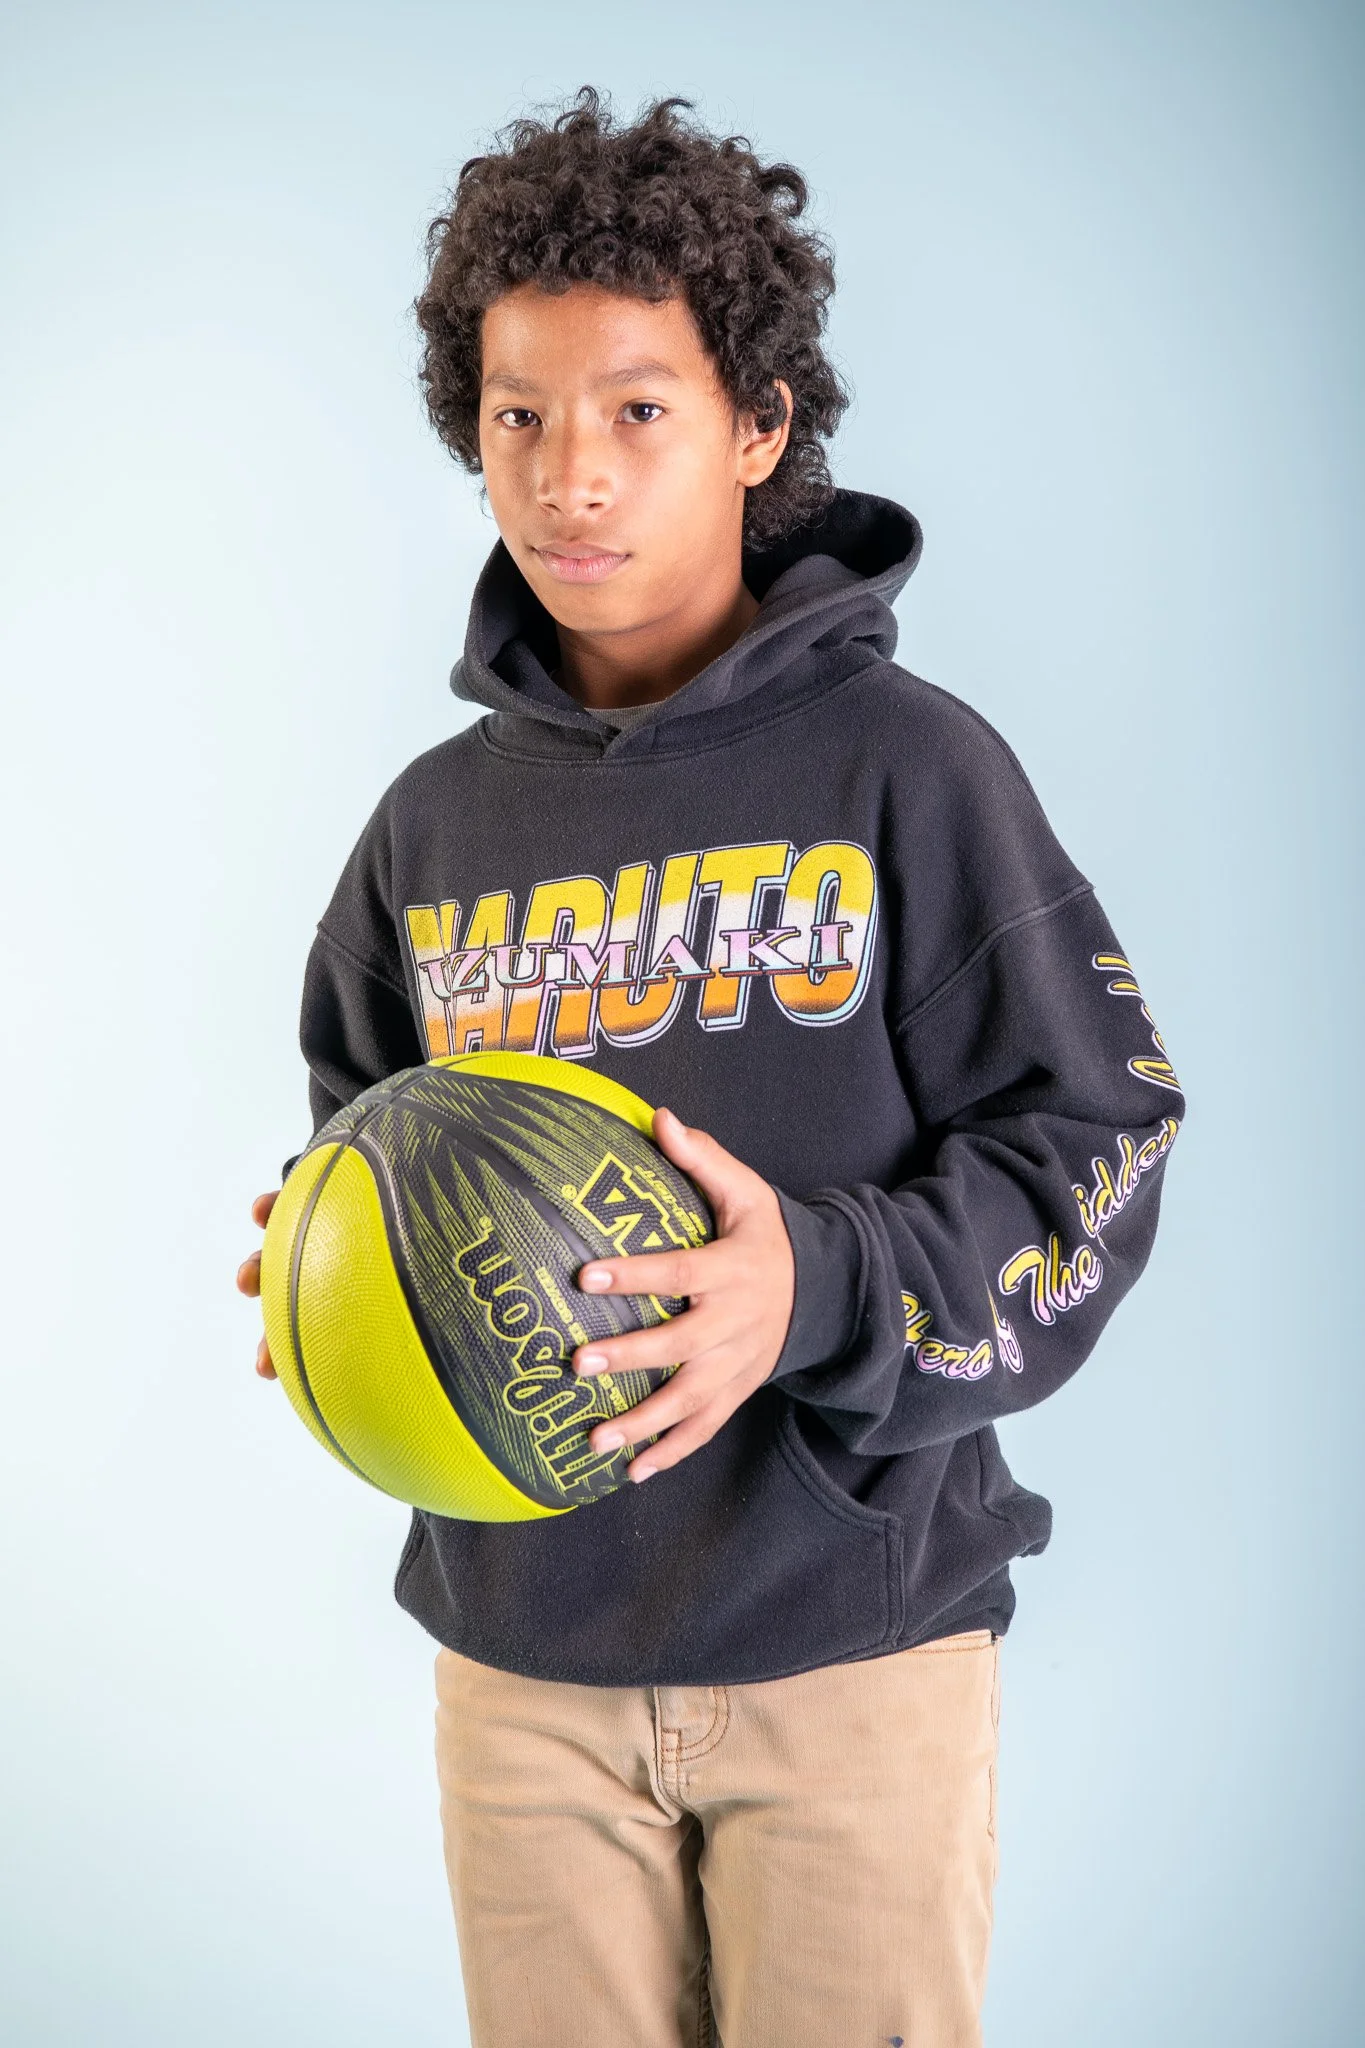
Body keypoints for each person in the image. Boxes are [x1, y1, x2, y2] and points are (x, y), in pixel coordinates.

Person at [236, 86, 1183, 2048]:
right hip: (520, 1664)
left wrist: (809, 1286)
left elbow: (1096, 1140)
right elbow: (362, 1127)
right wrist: (341, 1261)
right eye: (520, 415)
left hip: (852, 1644)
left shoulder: (909, 774)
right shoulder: (428, 830)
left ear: (757, 430)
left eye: (638, 410)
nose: (572, 473)